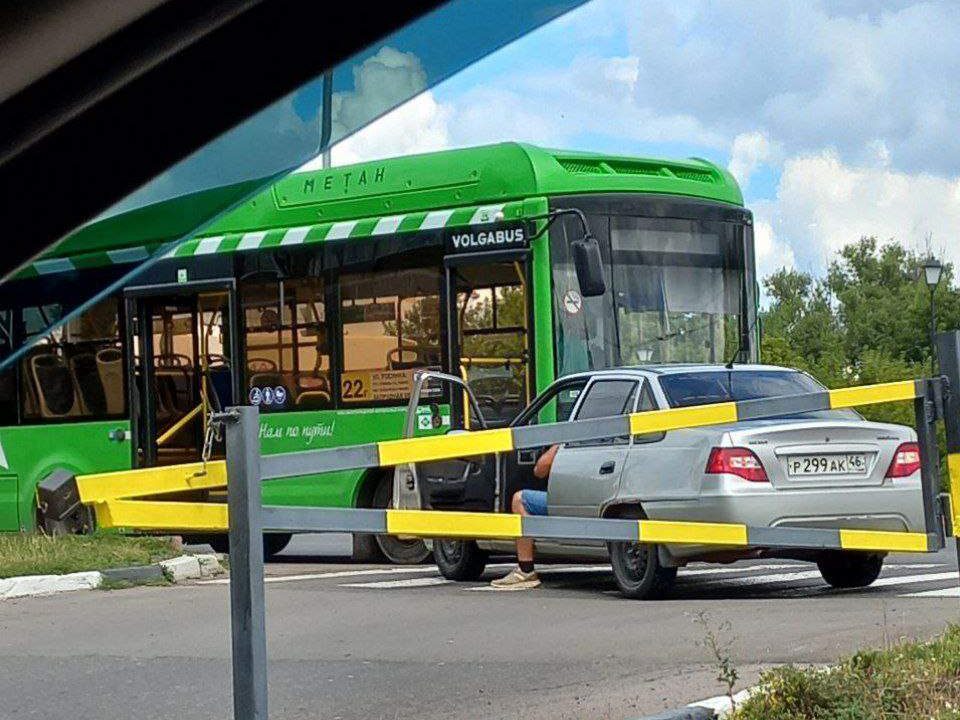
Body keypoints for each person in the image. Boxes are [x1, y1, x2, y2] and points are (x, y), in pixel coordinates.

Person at [490, 444, 559, 590]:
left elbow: (540, 470)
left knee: (519, 499)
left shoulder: (573, 435)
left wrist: (556, 445)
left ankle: (525, 570)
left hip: (566, 503)